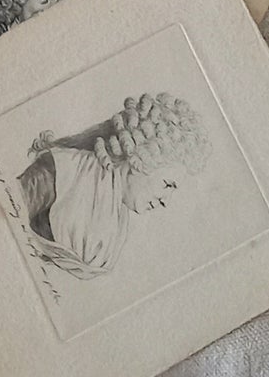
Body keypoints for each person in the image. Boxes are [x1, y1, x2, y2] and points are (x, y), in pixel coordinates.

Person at [15, 90, 211, 280]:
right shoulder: (59, 170)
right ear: (139, 159)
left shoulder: (117, 221)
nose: (165, 201)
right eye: (167, 185)